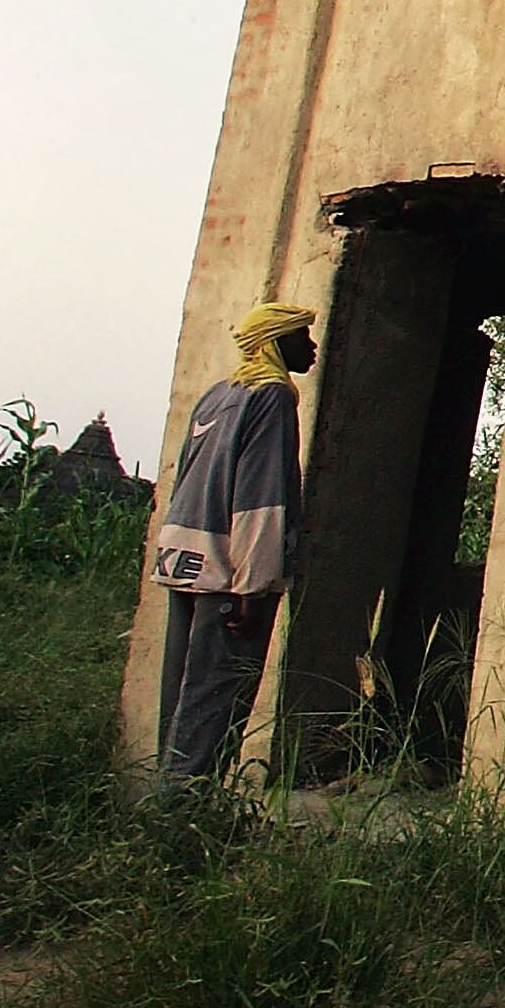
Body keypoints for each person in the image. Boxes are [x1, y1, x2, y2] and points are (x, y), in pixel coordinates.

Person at [151, 301, 316, 788]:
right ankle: (183, 813)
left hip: (184, 560)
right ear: (274, 344)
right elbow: (261, 498)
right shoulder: (271, 397)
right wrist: (254, 582)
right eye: (300, 337)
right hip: (229, 571)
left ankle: (167, 793)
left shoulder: (215, 398)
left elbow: (185, 479)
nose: (310, 347)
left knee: (181, 691)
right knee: (215, 697)